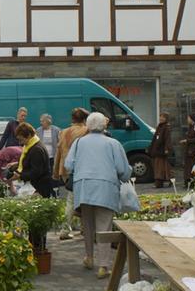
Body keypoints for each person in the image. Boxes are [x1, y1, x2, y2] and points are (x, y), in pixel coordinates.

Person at [66, 113, 132, 279]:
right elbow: (123, 170)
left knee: (87, 224)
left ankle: (89, 257)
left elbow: (68, 165)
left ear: (88, 126)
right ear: (105, 126)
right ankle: (104, 265)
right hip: (105, 187)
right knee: (104, 226)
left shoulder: (79, 142)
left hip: (83, 186)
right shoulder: (113, 143)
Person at [54, 108, 91, 239]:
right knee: (83, 201)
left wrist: (56, 171)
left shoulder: (63, 132)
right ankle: (78, 229)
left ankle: (68, 229)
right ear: (85, 119)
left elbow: (58, 152)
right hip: (81, 170)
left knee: (71, 200)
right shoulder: (86, 131)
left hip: (66, 171)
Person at [14, 123, 54, 197]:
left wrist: (20, 176)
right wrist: (16, 165)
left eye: (21, 140)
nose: (20, 143)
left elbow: (36, 172)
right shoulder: (31, 146)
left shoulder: (36, 150)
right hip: (35, 186)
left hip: (39, 188)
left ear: (28, 135)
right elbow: (29, 162)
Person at [148, 112, 173, 188]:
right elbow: (155, 138)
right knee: (159, 166)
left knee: (162, 167)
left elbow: (167, 139)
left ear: (166, 119)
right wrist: (151, 148)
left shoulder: (166, 127)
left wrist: (166, 149)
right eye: (160, 117)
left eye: (163, 117)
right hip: (157, 150)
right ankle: (162, 181)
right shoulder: (159, 126)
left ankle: (164, 181)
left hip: (161, 150)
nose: (161, 118)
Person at [180, 114, 195, 187]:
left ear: (192, 119)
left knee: (192, 166)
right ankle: (188, 182)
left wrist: (187, 141)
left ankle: (192, 182)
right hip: (188, 150)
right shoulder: (191, 127)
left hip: (193, 151)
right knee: (187, 167)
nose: (187, 120)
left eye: (188, 118)